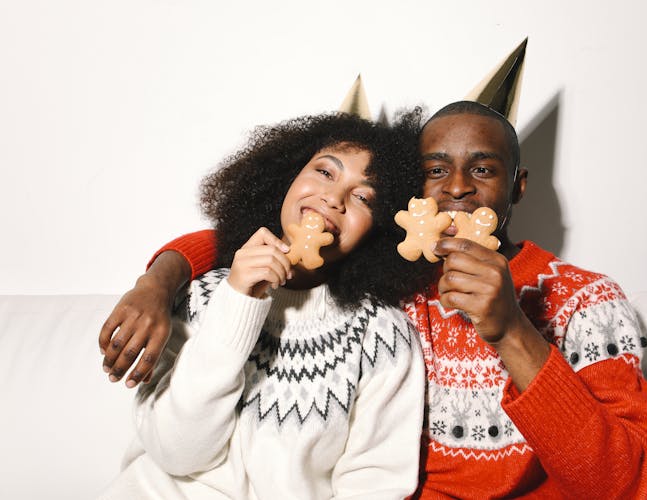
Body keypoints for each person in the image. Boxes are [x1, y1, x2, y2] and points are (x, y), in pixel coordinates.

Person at [100, 102, 647, 498]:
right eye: (435, 171)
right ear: (409, 197)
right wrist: (161, 278)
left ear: (517, 185)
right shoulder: (396, 287)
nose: (459, 187)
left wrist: (515, 332)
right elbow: (270, 245)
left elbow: (632, 488)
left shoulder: (585, 299)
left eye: (484, 169)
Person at [99, 111, 431, 499]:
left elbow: (375, 485)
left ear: (380, 227)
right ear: (287, 177)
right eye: (325, 172)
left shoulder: (383, 337)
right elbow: (177, 454)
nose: (333, 198)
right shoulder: (200, 295)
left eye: (362, 197)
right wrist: (238, 301)